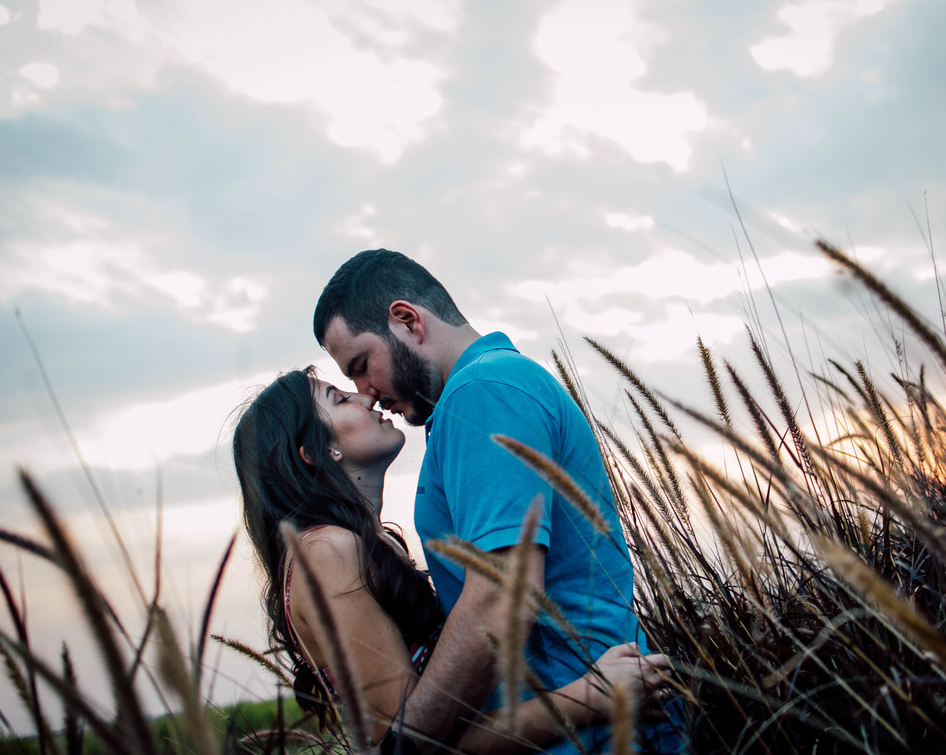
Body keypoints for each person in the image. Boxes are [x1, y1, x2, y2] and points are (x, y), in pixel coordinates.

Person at [312, 249, 682, 755]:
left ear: (407, 321)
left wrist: (404, 747)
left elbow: (501, 597)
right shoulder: (478, 396)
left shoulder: (482, 393)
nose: (366, 392)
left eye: (361, 366)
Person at [233, 366, 668, 754]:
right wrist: (591, 697)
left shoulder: (365, 544)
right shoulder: (325, 553)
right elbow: (411, 742)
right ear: (315, 451)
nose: (365, 397)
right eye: (340, 399)